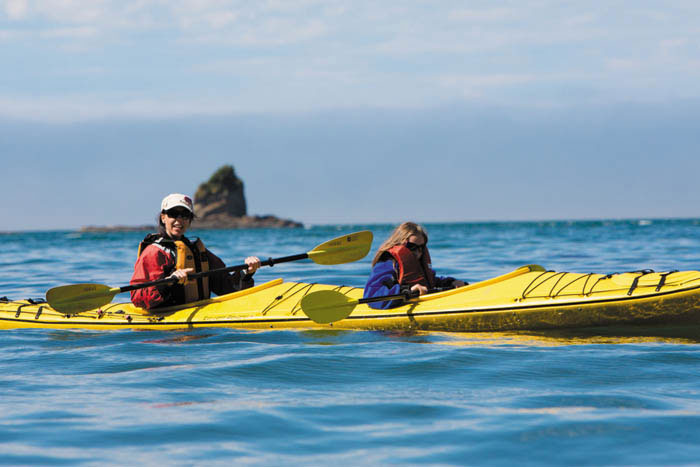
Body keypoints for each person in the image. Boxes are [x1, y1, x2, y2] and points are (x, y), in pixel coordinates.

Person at [130, 193, 261, 310]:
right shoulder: (154, 252)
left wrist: (247, 272)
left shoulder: (197, 250)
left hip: (199, 317)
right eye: (173, 214)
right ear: (163, 218)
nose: (179, 220)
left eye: (185, 215)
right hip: (167, 327)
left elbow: (227, 288)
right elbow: (138, 298)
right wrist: (168, 282)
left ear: (190, 220)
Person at [363, 222, 465, 309]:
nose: (418, 252)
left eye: (421, 247)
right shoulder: (387, 264)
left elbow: (431, 282)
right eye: (412, 247)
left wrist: (451, 282)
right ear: (399, 243)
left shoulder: (418, 263)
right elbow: (371, 295)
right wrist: (406, 291)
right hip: (392, 330)